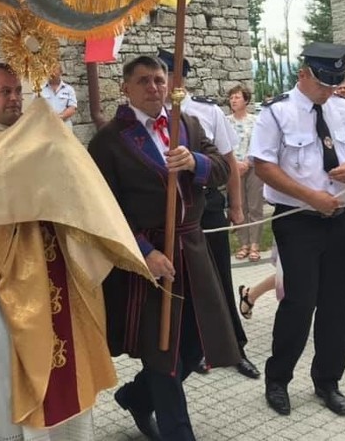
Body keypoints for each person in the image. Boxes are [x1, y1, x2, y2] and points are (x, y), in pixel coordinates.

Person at [0, 63, 152, 441]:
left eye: (18, 92)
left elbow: (72, 178)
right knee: (6, 366)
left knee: (66, 364)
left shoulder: (39, 133)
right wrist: (42, 144)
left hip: (53, 267)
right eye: (5, 92)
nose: (15, 99)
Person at [88, 55, 238, 441]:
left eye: (158, 80)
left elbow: (223, 168)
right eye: (144, 81)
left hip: (192, 249)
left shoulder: (185, 123)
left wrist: (196, 162)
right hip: (148, 257)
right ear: (125, 88)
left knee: (193, 344)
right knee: (163, 351)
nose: (154, 88)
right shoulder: (109, 141)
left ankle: (137, 396)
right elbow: (102, 207)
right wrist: (143, 252)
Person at [250, 42, 345, 417]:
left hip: (340, 221)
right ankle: (278, 379)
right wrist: (310, 196)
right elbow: (263, 166)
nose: (330, 90)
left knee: (336, 307)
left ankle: (328, 381)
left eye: (335, 83)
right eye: (323, 84)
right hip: (297, 220)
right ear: (303, 74)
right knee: (299, 303)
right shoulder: (277, 113)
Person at [158, 49, 258, 381]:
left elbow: (228, 161)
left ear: (179, 77)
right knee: (180, 280)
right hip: (167, 210)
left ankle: (234, 346)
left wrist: (237, 206)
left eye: (167, 75)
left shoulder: (205, 111)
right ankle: (191, 348)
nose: (163, 82)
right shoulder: (149, 115)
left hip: (205, 206)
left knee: (218, 276)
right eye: (158, 76)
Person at [227, 84, 264, 262]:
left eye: (237, 97)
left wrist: (248, 162)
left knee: (255, 206)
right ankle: (243, 244)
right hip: (234, 168)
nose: (233, 100)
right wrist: (235, 164)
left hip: (253, 167)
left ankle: (255, 244)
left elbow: (259, 143)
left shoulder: (256, 120)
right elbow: (223, 145)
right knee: (239, 205)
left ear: (246, 100)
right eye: (232, 97)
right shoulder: (226, 121)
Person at [38, 64, 78, 129]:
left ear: (61, 72)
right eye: (49, 70)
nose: (51, 72)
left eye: (54, 69)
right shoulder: (39, 89)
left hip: (64, 125)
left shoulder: (69, 89)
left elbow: (72, 108)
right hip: (45, 126)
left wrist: (60, 117)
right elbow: (35, 107)